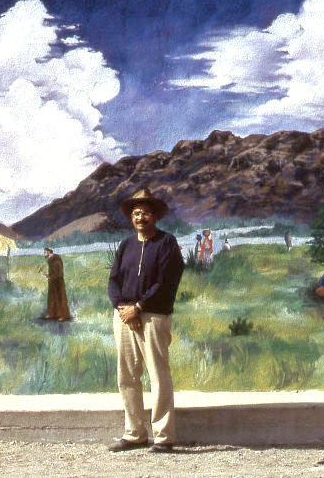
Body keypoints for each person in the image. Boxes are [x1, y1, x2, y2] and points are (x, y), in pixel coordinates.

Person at [107, 188, 184, 454]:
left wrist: (139, 307)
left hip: (153, 317)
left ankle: (163, 437)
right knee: (127, 375)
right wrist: (122, 308)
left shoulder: (167, 243)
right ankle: (135, 433)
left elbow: (166, 282)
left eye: (146, 213)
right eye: (136, 213)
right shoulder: (126, 245)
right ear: (131, 217)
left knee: (157, 374)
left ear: (155, 216)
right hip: (124, 317)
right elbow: (113, 280)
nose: (141, 218)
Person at [41, 248, 72, 321]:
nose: (44, 254)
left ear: (49, 252)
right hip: (52, 282)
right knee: (52, 298)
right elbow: (52, 273)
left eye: (45, 252)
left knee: (60, 298)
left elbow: (58, 273)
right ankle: (52, 314)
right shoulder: (50, 260)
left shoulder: (56, 260)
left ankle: (63, 315)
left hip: (58, 282)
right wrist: (46, 275)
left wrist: (49, 276)